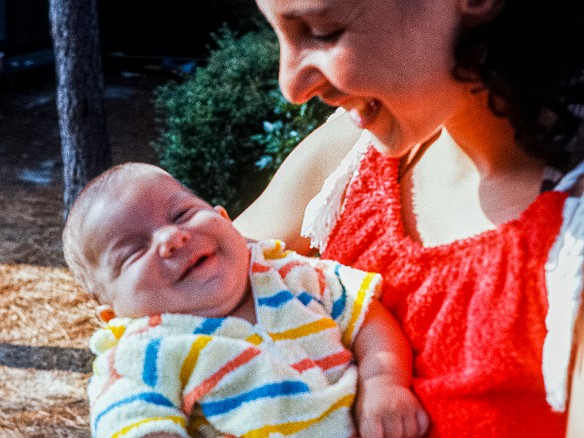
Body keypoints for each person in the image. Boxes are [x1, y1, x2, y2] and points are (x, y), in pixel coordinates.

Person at [233, 0, 584, 436]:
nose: (292, 85)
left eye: (324, 31)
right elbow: (157, 306)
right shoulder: (349, 153)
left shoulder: (572, 243)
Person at [62, 162, 428, 438]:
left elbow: (366, 317)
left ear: (226, 220)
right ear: (114, 315)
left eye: (183, 213)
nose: (172, 237)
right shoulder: (142, 352)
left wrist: (384, 383)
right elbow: (132, 425)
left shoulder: (290, 273)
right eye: (134, 250)